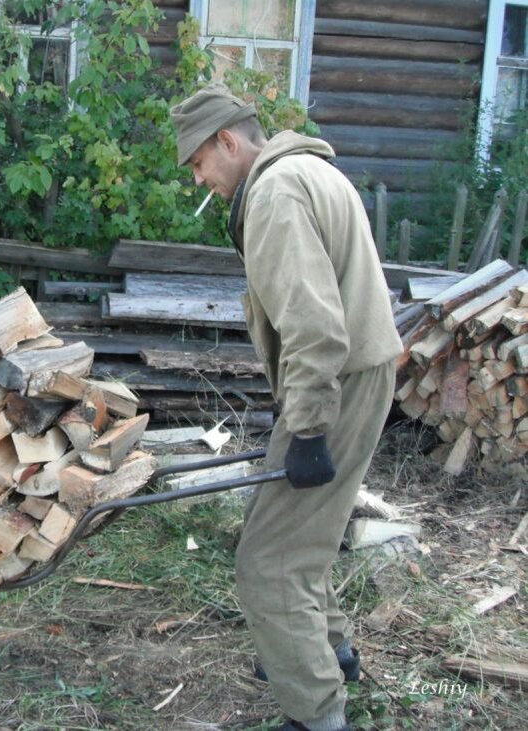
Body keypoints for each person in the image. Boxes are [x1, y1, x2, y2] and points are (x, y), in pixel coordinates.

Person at [169, 83, 404, 731]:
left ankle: (316, 713)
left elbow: (314, 325)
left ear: (227, 140)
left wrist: (306, 427)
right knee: (299, 527)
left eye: (198, 163)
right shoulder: (305, 170)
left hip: (341, 377)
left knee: (268, 559)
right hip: (354, 373)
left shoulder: (273, 193)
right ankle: (328, 647)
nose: (200, 180)